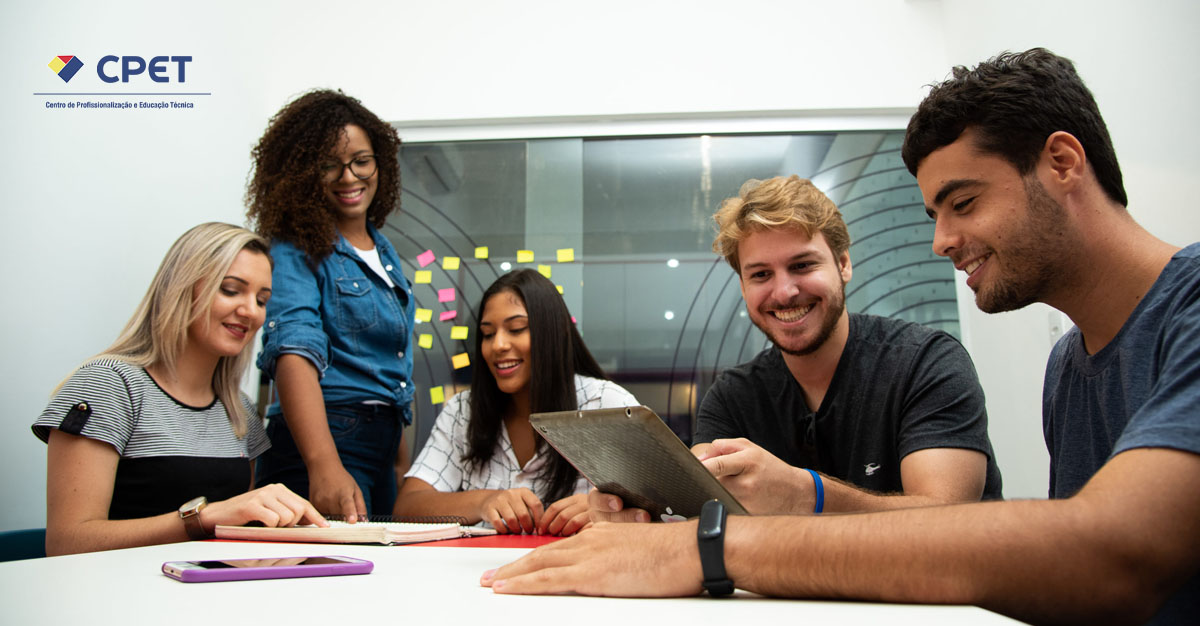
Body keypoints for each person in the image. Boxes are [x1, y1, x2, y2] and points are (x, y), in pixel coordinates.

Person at [482, 48, 1200, 625]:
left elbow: (1113, 553)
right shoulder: (1069, 365)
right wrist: (653, 520)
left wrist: (719, 542)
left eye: (964, 202)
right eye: (934, 215)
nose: (942, 241)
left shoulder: (1178, 309)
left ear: (1063, 163)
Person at [593, 175, 1000, 522]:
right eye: (760, 274)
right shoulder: (733, 398)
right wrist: (641, 512)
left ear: (843, 264)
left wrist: (807, 494)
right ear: (743, 288)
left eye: (803, 265)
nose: (784, 291)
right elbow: (705, 515)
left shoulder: (925, 363)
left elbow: (946, 522)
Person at [31, 223, 325, 556]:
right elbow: (66, 542)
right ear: (181, 288)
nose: (251, 312)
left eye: (262, 300)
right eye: (230, 290)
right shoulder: (108, 385)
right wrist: (203, 518)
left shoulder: (240, 411)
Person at [247, 89, 415, 522]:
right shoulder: (296, 247)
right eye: (329, 165)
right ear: (304, 173)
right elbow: (292, 350)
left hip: (379, 447)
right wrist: (322, 464)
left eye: (361, 161)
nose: (348, 176)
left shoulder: (383, 248)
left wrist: (398, 459)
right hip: (324, 443)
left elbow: (386, 368)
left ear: (379, 163)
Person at [395, 269, 638, 535]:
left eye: (516, 329)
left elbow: (667, 511)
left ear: (552, 334)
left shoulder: (607, 404)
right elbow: (407, 507)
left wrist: (605, 510)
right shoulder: (463, 411)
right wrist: (484, 502)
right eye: (488, 334)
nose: (498, 345)